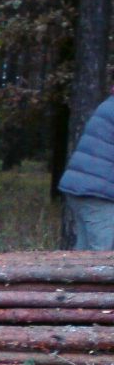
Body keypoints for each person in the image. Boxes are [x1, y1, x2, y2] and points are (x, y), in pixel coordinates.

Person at [58, 92, 114, 250]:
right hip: (98, 194)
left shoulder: (109, 104)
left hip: (86, 187)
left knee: (84, 256)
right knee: (102, 256)